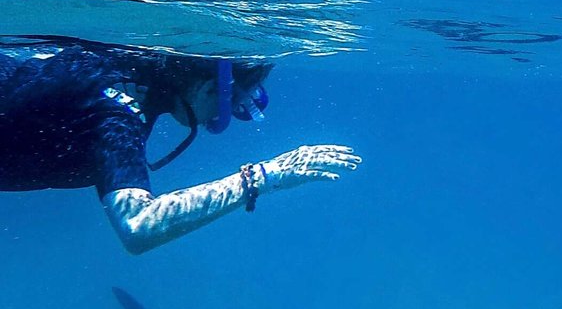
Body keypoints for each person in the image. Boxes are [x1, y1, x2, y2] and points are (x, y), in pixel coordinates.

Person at [0, 39, 360, 253]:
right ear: (208, 88)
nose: (227, 118)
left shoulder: (127, 71)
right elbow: (138, 225)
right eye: (234, 104)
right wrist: (263, 177)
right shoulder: (122, 110)